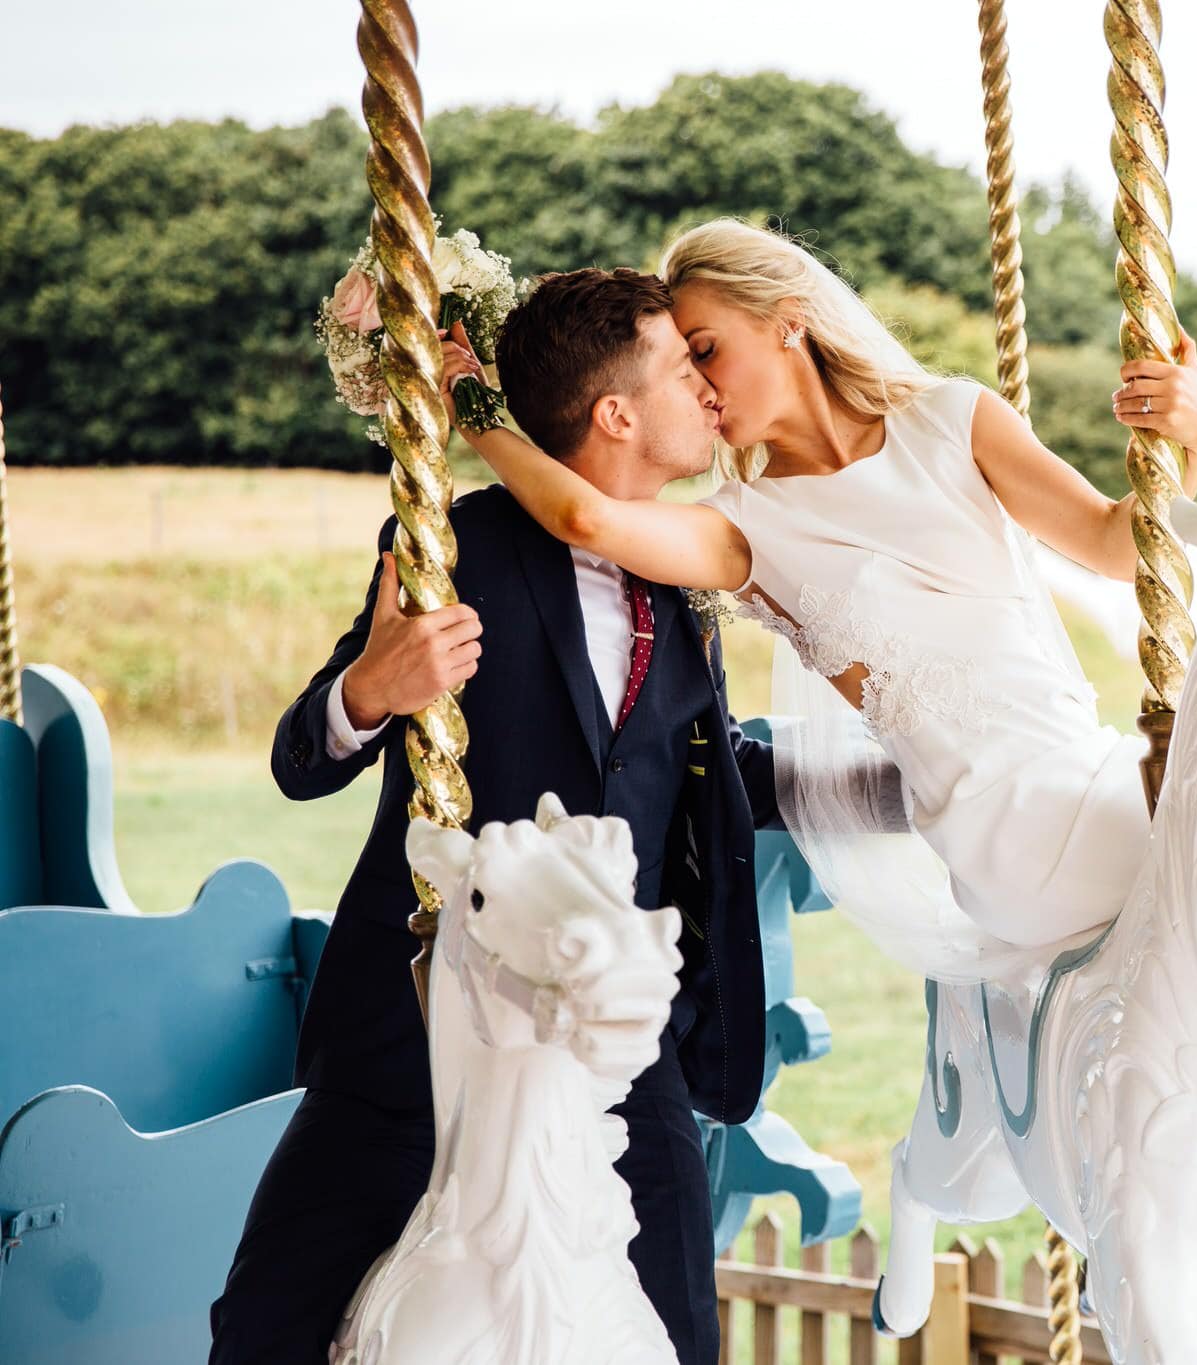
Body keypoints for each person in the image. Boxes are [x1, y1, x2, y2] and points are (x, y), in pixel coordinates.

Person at [444, 220, 1197, 1325]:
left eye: (707, 348)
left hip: (1093, 769)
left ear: (786, 319)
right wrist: (470, 402)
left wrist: (1185, 439)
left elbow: (1114, 540)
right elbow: (586, 518)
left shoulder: (955, 421)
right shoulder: (747, 529)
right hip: (1008, 830)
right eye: (682, 363)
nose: (697, 384)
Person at [211, 268, 778, 1365]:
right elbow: (300, 758)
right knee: (262, 1331)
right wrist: (369, 692)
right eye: (682, 369)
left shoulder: (679, 579)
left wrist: (920, 786)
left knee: (676, 1339)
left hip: (617, 1047)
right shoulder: (453, 543)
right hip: (425, 1021)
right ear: (614, 413)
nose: (709, 393)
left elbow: (695, 775)